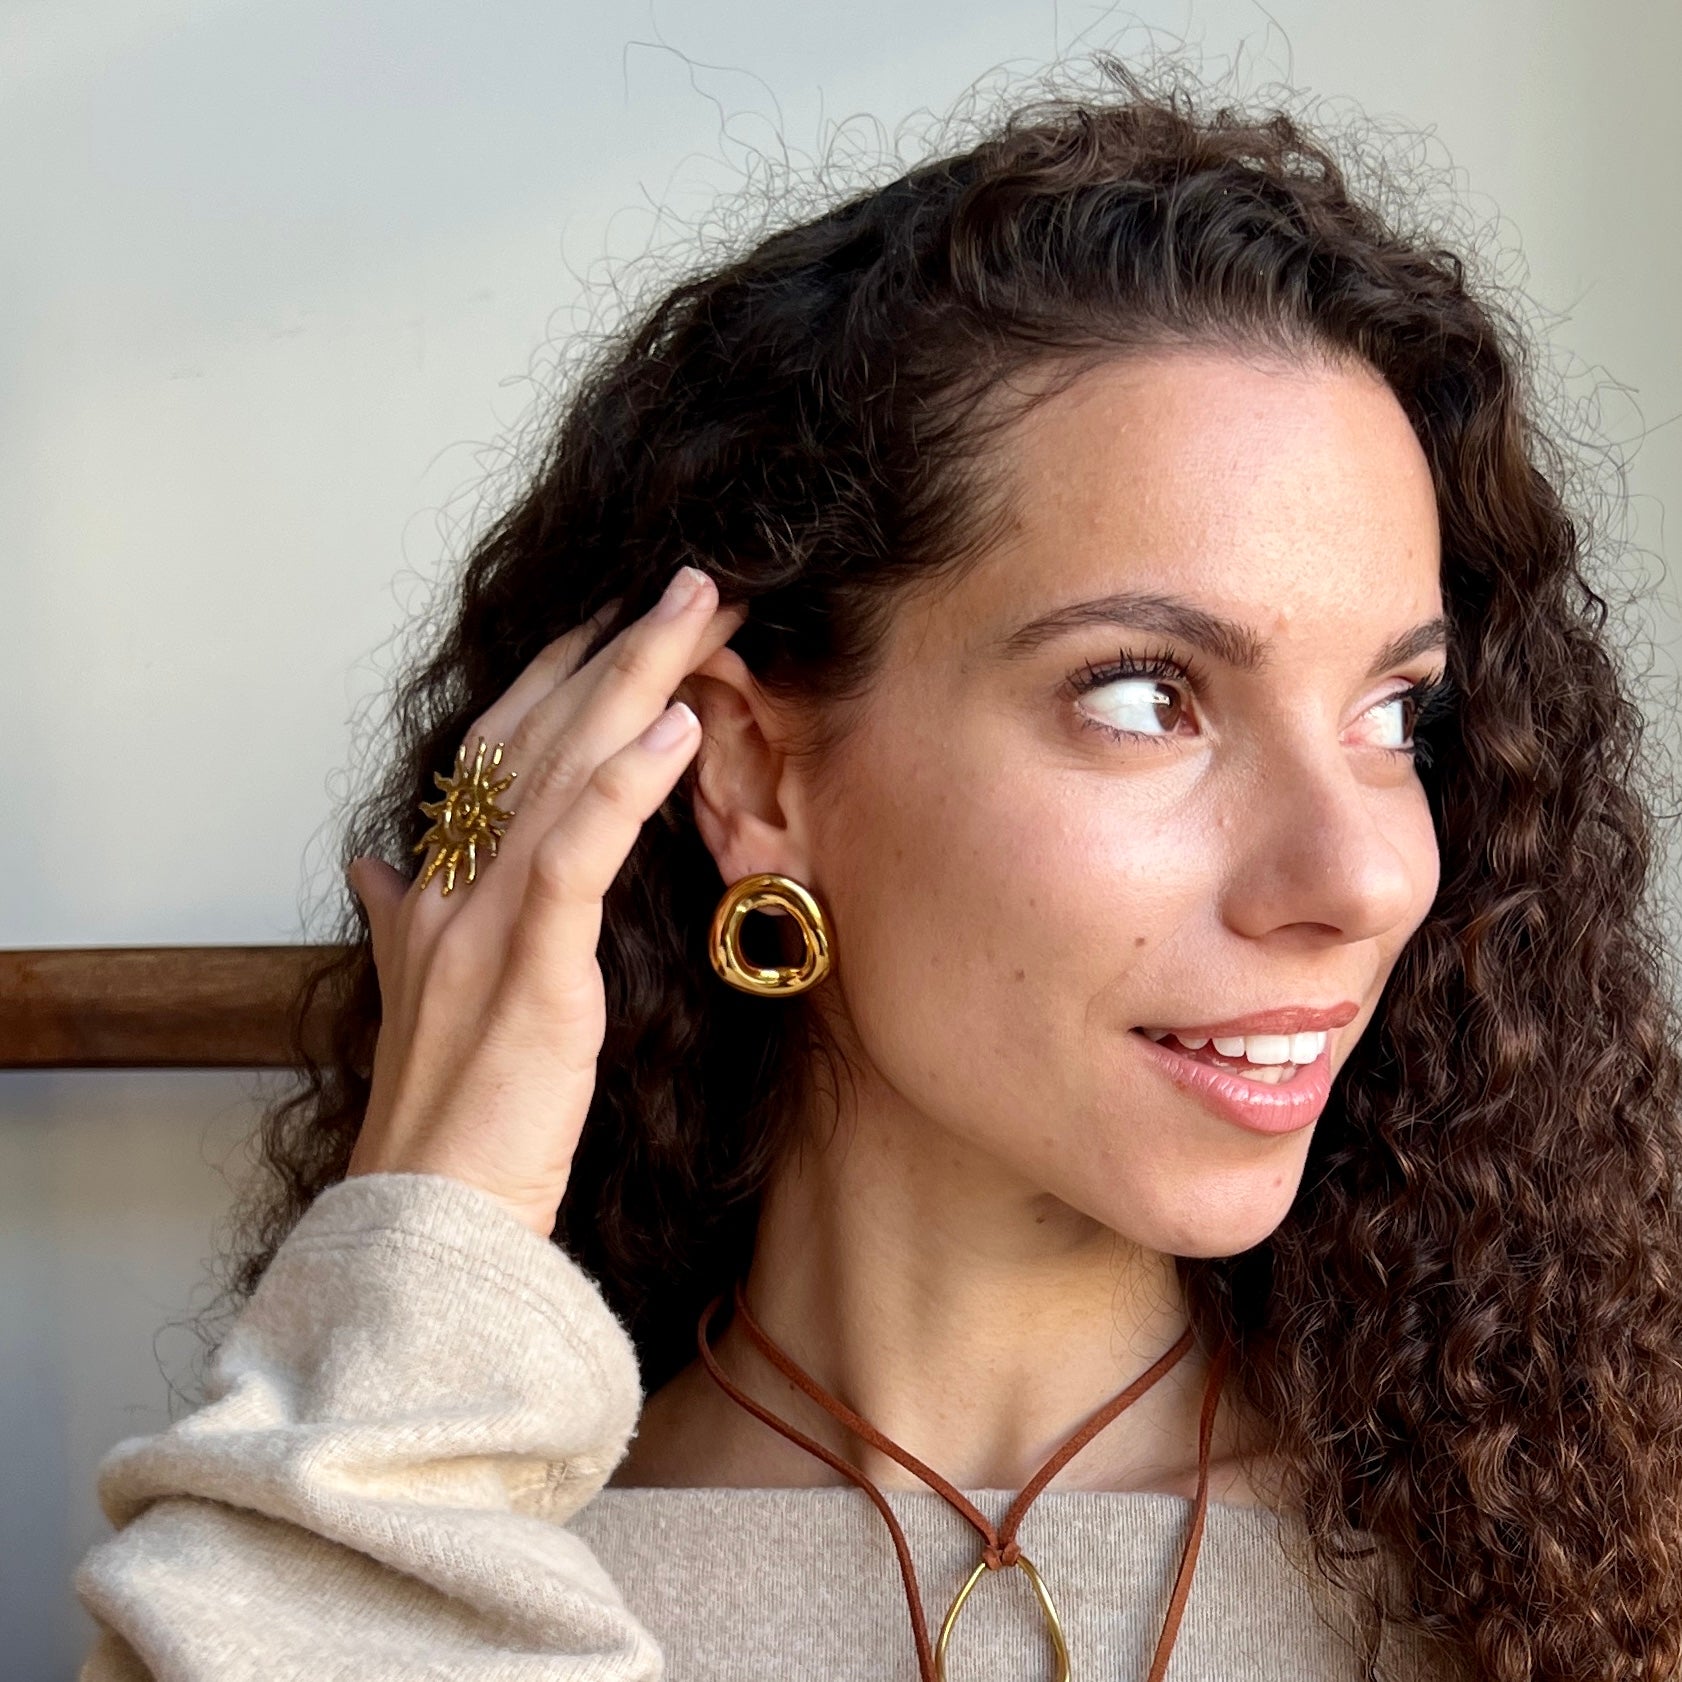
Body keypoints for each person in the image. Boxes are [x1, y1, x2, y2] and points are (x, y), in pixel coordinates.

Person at [72, 65, 1682, 1682]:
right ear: (754, 771)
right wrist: (434, 1231)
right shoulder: (384, 1545)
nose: (1359, 871)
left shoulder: (1576, 1558)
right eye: (1143, 694)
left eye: (1395, 711)